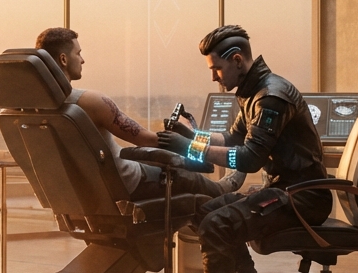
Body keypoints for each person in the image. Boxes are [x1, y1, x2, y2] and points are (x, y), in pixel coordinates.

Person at [156, 25, 331, 273]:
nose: (214, 77)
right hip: (285, 191)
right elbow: (233, 139)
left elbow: (249, 158)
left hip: (304, 197)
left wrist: (190, 148)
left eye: (217, 68)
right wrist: (191, 137)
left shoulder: (271, 97)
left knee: (217, 225)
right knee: (205, 212)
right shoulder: (252, 92)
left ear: (237, 60)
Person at [34, 27, 232, 201]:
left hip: (80, 192)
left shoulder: (32, 110)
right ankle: (221, 190)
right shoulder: (91, 101)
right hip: (124, 184)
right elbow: (147, 139)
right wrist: (188, 137)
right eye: (78, 53)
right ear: (63, 59)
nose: (82, 59)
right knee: (187, 178)